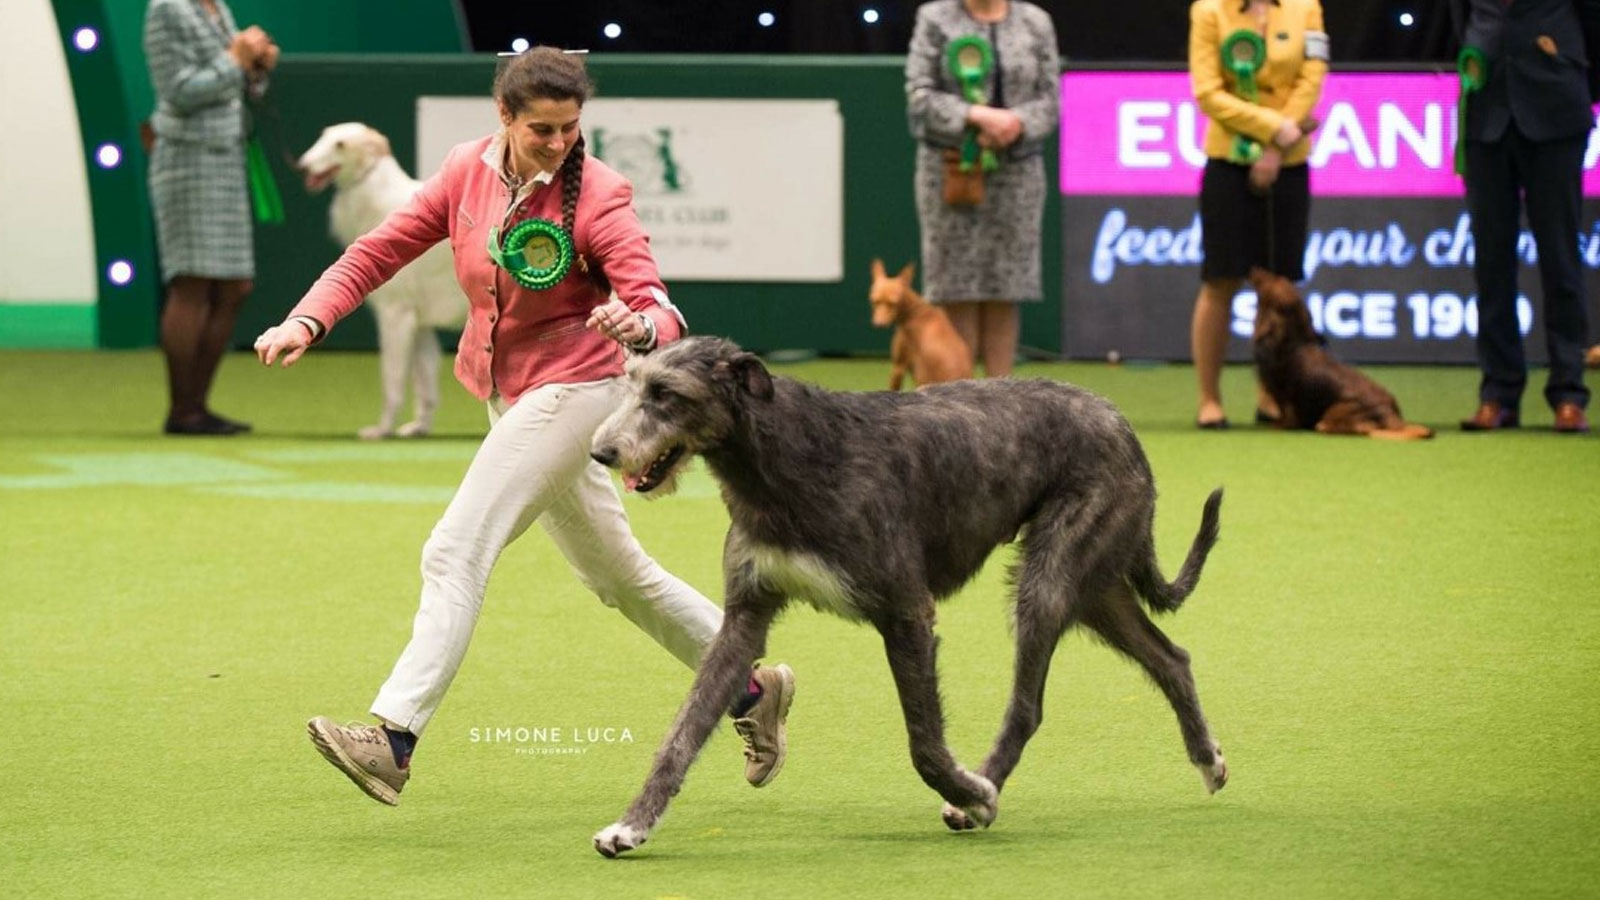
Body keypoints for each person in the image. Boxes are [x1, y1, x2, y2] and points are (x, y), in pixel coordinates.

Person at [253, 48, 795, 805]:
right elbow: (380, 250)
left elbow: (658, 303)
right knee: (619, 578)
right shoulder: (463, 171)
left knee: (455, 549)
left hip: (580, 390)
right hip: (506, 390)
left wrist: (636, 324)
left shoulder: (600, 193)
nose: (559, 142)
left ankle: (392, 739)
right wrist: (309, 316)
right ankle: (750, 689)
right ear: (503, 116)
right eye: (541, 128)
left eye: (571, 128)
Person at [1451, 0, 1596, 433]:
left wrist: (1574, 73)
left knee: (1561, 258)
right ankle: (1499, 392)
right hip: (1486, 113)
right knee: (1491, 263)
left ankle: (1569, 392)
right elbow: (1462, 19)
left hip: (1555, 107)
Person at [1187, 0, 1328, 428]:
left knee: (1278, 282)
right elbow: (1207, 91)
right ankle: (1209, 399)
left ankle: (1270, 395)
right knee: (1221, 279)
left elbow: (1312, 75)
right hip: (1228, 160)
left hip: (1289, 158)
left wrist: (1277, 143)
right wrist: (1270, 127)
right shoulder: (1209, 10)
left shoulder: (1307, 8)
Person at [143, 0, 278, 435]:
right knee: (192, 283)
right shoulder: (167, 9)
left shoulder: (215, 6)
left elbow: (236, 88)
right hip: (187, 158)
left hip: (225, 158)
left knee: (233, 286)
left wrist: (255, 67)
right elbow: (179, 91)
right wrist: (233, 59)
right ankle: (183, 410)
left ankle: (196, 406)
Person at [905, 0, 1060, 378]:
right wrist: (975, 115)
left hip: (1018, 172)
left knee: (1005, 289)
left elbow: (1051, 101)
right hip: (952, 171)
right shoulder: (935, 18)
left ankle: (1000, 403)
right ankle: (958, 407)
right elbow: (919, 97)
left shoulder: (1035, 21)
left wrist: (1016, 123)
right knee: (956, 288)